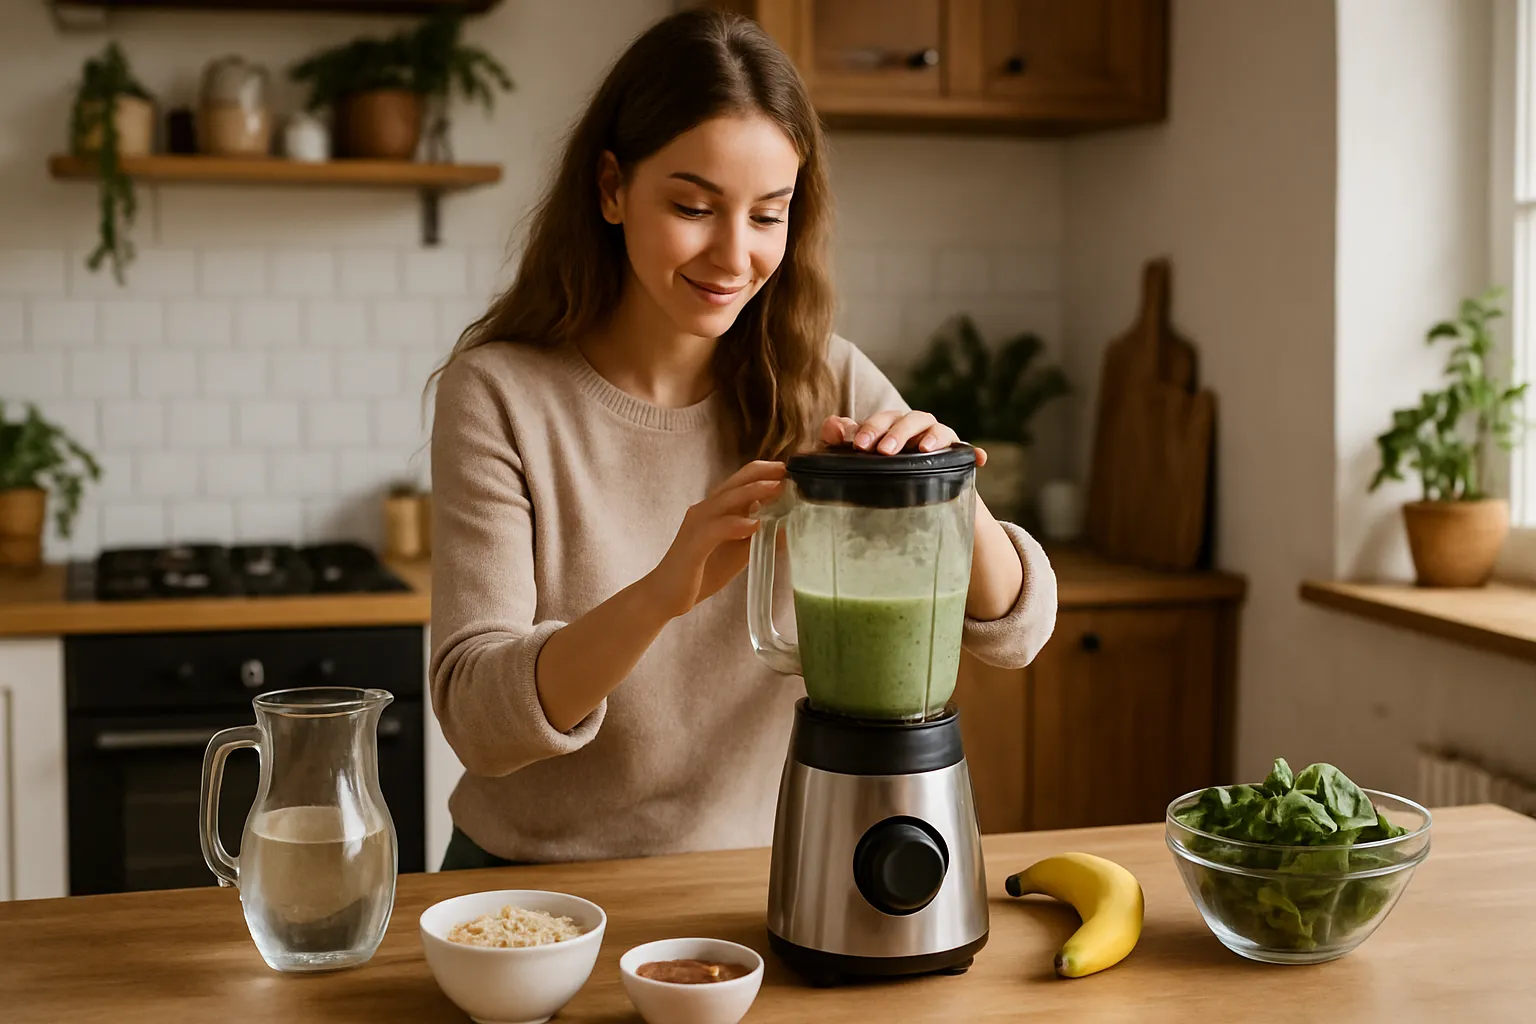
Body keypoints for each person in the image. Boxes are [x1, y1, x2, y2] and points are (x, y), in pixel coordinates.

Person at [428, 8, 1058, 870]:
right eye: (693, 207)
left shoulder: (824, 381)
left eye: (769, 216)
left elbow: (1016, 632)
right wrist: (662, 592)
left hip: (758, 878)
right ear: (611, 188)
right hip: (529, 888)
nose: (733, 256)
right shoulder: (500, 393)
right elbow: (477, 720)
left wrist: (945, 487)